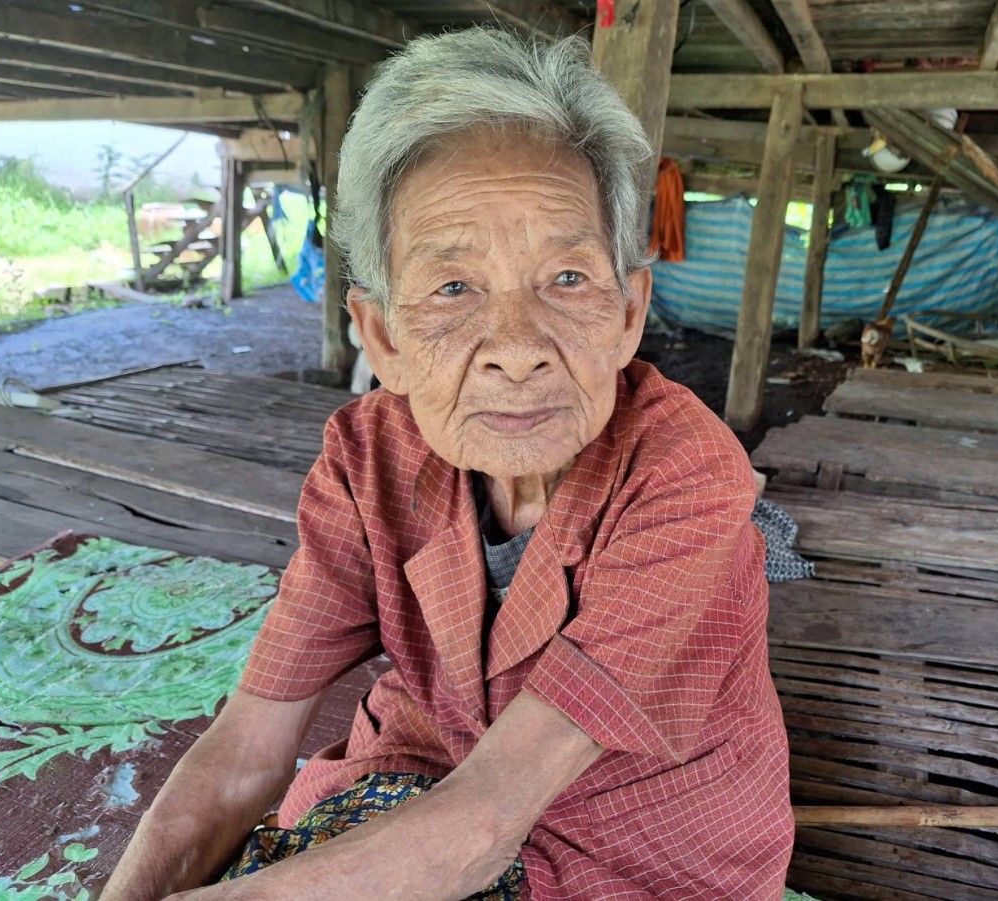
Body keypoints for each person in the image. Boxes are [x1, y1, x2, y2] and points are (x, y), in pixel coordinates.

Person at [101, 27, 794, 901]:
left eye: (568, 279)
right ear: (382, 335)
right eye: (453, 287)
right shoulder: (367, 458)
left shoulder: (687, 472)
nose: (516, 349)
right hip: (429, 778)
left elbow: (488, 816)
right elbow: (247, 747)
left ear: (629, 311)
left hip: (638, 845)